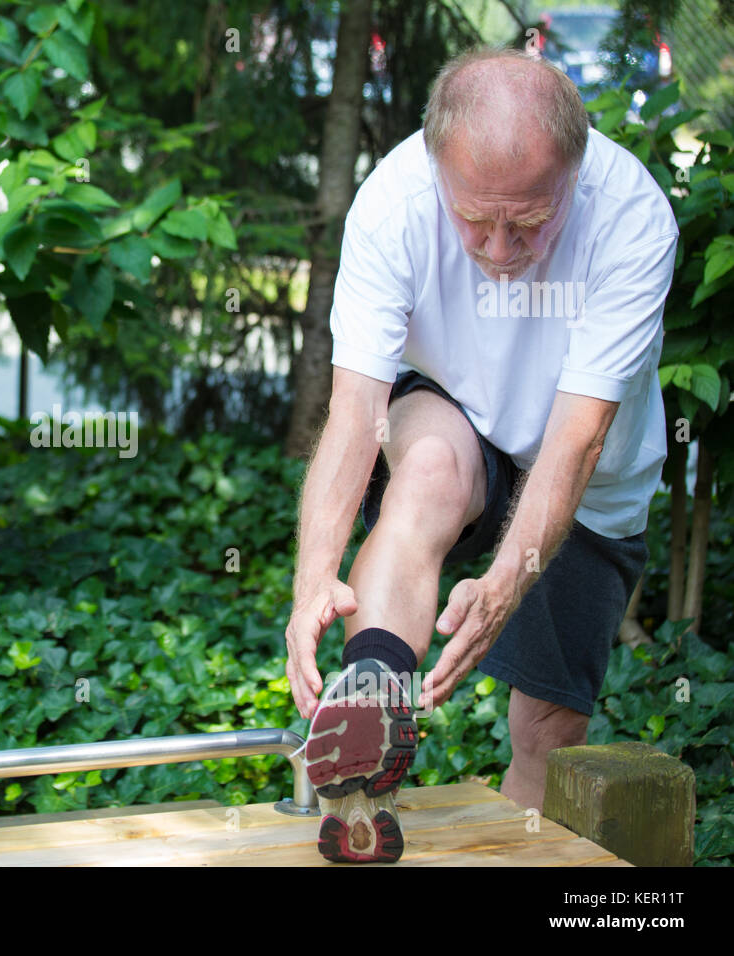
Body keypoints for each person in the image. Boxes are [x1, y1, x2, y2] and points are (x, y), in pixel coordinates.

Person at [286, 46, 678, 863]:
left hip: (588, 478)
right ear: (434, 167)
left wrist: (505, 583)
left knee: (546, 729)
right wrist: (313, 577)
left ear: (577, 172)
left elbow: (578, 436)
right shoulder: (392, 203)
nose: (500, 250)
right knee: (425, 471)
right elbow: (355, 414)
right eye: (475, 218)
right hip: (457, 413)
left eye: (529, 221)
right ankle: (371, 721)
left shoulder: (632, 217)